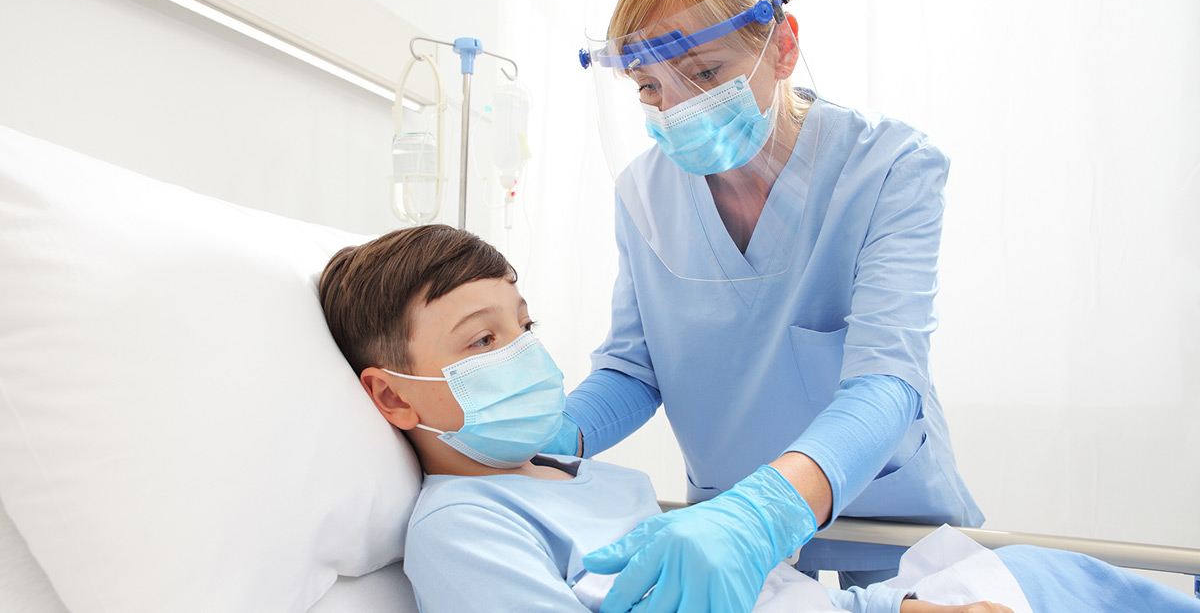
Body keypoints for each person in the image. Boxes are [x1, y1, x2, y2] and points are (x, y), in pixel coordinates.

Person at [316, 225, 1200, 613]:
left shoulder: (566, 475)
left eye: (525, 327)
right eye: (483, 341)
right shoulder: (464, 525)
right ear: (392, 396)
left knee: (1056, 576)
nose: (524, 356)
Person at [549, 0, 986, 609]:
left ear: (782, 47)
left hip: (883, 516)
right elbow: (633, 369)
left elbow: (888, 377)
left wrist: (765, 510)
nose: (677, 109)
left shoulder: (888, 166)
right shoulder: (644, 192)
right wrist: (548, 439)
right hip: (729, 532)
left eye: (704, 72)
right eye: (649, 88)